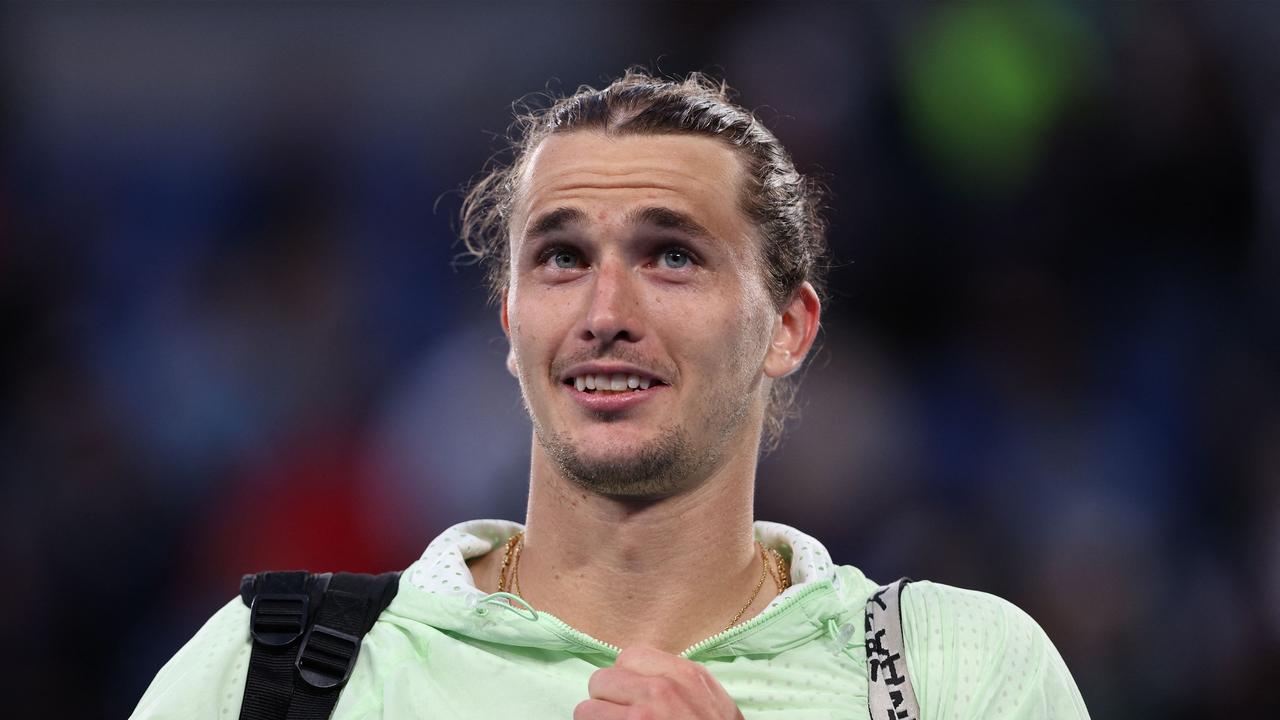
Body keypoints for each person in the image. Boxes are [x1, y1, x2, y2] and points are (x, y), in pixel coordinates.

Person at [133, 69, 1090, 719]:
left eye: (671, 256)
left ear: (788, 329)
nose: (605, 311)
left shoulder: (953, 674)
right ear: (512, 325)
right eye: (561, 258)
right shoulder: (278, 671)